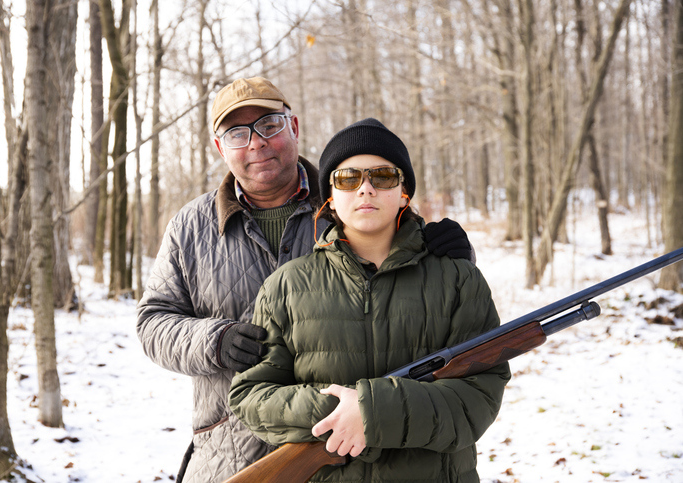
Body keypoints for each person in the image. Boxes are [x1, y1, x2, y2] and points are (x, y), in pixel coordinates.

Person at [137, 77, 475, 483]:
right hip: (230, 451)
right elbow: (152, 321)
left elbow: (419, 282)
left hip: (347, 451)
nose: (256, 142)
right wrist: (214, 341)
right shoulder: (190, 227)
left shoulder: (348, 196)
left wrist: (456, 252)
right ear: (219, 146)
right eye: (236, 133)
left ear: (293, 127)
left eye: (269, 125)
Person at [229, 118, 510, 482]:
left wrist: (372, 414)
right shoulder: (286, 286)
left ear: (404, 192)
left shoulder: (457, 278)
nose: (366, 189)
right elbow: (253, 397)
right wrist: (339, 411)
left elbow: (478, 397)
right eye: (348, 178)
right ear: (330, 195)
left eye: (383, 177)